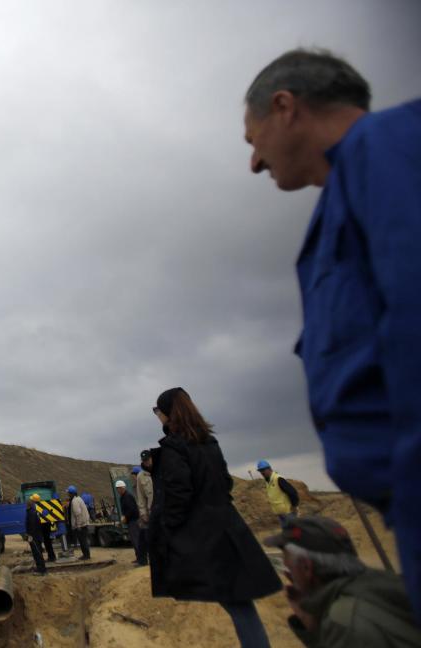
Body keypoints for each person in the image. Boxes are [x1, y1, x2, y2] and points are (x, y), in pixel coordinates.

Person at [243, 48, 421, 621]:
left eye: (253, 138)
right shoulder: (347, 191)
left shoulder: (387, 149)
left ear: (286, 107)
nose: (253, 161)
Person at [149, 387, 281, 648]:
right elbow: (225, 481)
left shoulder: (173, 448)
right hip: (228, 527)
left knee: (235, 602)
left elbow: (179, 492)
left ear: (167, 413)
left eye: (157, 411)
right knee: (240, 603)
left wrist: (169, 527)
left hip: (204, 535)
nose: (157, 416)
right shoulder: (209, 442)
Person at [264, 516, 421, 646]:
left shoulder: (345, 620)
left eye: (287, 560)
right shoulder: (385, 582)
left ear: (306, 568)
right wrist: (311, 623)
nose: (285, 567)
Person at [256, 459, 300, 527]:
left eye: (263, 470)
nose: (262, 472)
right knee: (287, 535)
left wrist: (294, 505)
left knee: (295, 532)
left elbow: (292, 492)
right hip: (280, 513)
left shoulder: (278, 479)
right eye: (260, 471)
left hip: (288, 512)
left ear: (269, 469)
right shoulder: (268, 481)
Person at [118, 478, 146, 566]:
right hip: (130, 521)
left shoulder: (128, 497)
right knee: (134, 541)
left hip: (133, 521)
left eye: (119, 488)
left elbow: (132, 510)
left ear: (123, 488)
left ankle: (142, 560)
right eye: (117, 489)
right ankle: (138, 558)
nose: (118, 490)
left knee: (137, 541)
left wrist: (125, 517)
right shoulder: (123, 497)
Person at [136, 451, 155, 563]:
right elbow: (141, 497)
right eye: (144, 461)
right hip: (152, 512)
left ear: (152, 458)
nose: (146, 463)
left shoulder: (160, 469)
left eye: (148, 460)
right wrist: (143, 513)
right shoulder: (140, 476)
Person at [23, 494, 47, 575]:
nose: (27, 503)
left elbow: (33, 525)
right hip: (36, 536)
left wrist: (30, 535)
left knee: (38, 553)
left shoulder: (32, 513)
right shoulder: (33, 511)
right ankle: (40, 568)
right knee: (37, 553)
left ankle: (42, 570)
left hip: (35, 537)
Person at [66, 485, 91, 561]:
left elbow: (77, 514)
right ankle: (86, 555)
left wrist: (78, 525)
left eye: (68, 493)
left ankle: (86, 556)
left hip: (81, 525)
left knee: (82, 540)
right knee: (83, 540)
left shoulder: (74, 501)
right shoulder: (78, 498)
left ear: (71, 493)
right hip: (84, 523)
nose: (68, 494)